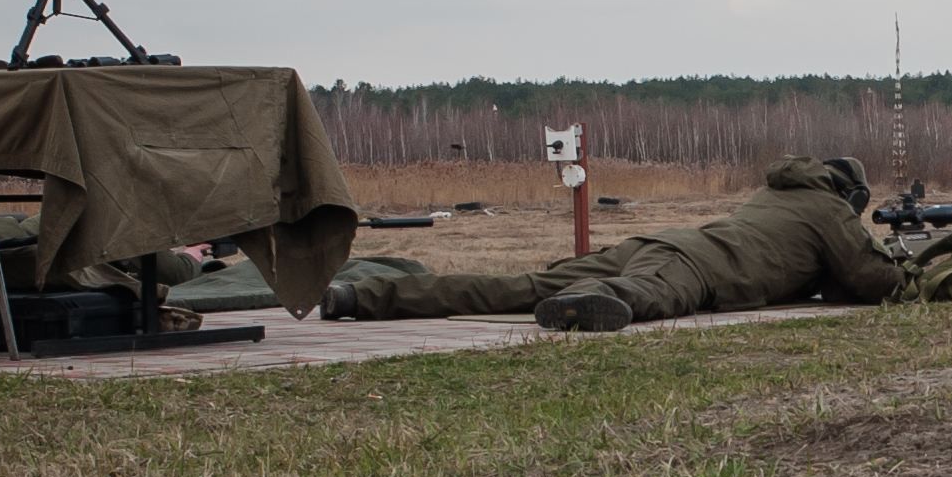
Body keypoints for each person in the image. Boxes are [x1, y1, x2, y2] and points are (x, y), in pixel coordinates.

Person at [322, 154, 902, 328]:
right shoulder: (829, 210)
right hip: (696, 269)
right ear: (850, 196)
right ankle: (589, 305)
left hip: (659, 240)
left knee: (515, 286)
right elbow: (870, 281)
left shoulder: (774, 194)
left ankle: (364, 296)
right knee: (640, 296)